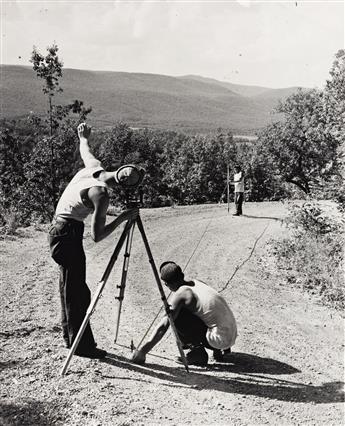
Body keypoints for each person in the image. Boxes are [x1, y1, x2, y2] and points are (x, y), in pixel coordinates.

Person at [48, 123, 139, 358]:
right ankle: (82, 347)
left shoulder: (95, 168)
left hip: (61, 230)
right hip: (67, 232)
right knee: (77, 291)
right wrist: (122, 218)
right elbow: (97, 236)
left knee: (70, 288)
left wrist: (83, 136)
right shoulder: (101, 194)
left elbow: (85, 150)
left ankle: (72, 339)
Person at [131, 261, 237, 366]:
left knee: (175, 314)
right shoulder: (197, 282)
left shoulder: (182, 294)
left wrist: (142, 351)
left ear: (167, 284)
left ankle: (198, 353)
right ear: (182, 275)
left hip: (219, 340)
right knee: (202, 312)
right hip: (231, 334)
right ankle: (218, 350)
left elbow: (164, 325)